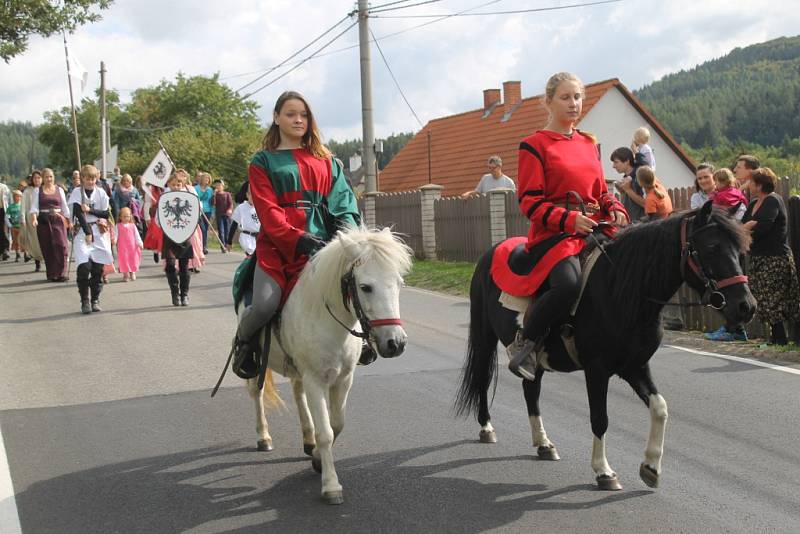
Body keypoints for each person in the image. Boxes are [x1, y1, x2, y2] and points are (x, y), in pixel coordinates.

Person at [508, 72, 629, 380]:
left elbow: (601, 191)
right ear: (548, 102)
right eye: (565, 97)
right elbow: (529, 202)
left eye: (577, 97)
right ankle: (526, 343)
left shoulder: (589, 143)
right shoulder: (533, 145)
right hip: (554, 235)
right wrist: (569, 219)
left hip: (595, 228)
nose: (573, 104)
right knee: (569, 285)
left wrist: (614, 207)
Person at [232, 90, 361, 377]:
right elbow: (268, 210)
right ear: (277, 118)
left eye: (303, 115)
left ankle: (366, 344)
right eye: (290, 114)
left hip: (325, 247)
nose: (298, 120)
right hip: (278, 249)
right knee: (264, 305)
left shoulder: (326, 160)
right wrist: (297, 238)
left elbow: (344, 201)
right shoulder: (262, 162)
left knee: (360, 291)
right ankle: (243, 344)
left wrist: (343, 232)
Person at [742, 167, 800, 345]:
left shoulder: (773, 200)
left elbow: (763, 228)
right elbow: (741, 225)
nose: (749, 185)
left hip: (774, 258)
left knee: (774, 298)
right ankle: (776, 339)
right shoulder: (753, 203)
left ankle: (781, 340)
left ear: (759, 185)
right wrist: (747, 226)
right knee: (762, 297)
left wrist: (748, 228)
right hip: (758, 257)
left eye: (752, 182)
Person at [69, 164, 114, 314]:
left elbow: (106, 214)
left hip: (99, 231)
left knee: (97, 268)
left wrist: (91, 210)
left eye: (93, 178)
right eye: (87, 179)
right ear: (82, 179)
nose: (90, 181)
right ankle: (85, 300)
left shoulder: (101, 193)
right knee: (84, 267)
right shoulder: (77, 192)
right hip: (83, 232)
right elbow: (78, 213)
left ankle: (95, 298)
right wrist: (87, 231)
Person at [29, 168, 71, 281]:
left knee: (61, 245)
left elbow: (64, 206)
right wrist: (34, 219)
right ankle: (52, 274)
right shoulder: (38, 191)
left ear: (54, 177)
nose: (49, 179)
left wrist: (69, 220)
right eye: (46, 177)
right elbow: (34, 208)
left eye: (51, 176)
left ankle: (61, 273)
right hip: (43, 220)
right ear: (43, 178)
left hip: (58, 219)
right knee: (48, 247)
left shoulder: (59, 190)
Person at [162, 173, 194, 306]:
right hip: (169, 236)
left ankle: (184, 294)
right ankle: (175, 293)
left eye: (178, 184)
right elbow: (160, 220)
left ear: (182, 185)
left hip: (184, 235)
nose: (176, 187)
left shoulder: (189, 198)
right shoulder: (164, 199)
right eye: (173, 184)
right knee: (170, 265)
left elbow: (194, 214)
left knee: (184, 267)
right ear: (168, 184)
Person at [611, 146, 645, 222]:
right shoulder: (627, 177)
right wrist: (623, 191)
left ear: (627, 161)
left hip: (641, 225)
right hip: (631, 224)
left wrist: (628, 190)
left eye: (616, 162)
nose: (613, 166)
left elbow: (646, 204)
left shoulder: (639, 177)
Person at [227, 181, 260, 256]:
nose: (253, 197)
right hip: (246, 237)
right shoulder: (241, 208)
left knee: (257, 259)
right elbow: (234, 225)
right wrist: (229, 241)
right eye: (251, 195)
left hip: (258, 237)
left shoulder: (260, 207)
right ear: (247, 195)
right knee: (252, 257)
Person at [20, 171, 43, 271]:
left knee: (45, 240)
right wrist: (22, 218)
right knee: (35, 241)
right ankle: (37, 262)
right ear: (32, 180)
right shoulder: (27, 191)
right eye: (35, 178)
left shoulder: (45, 189)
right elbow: (23, 206)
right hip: (31, 219)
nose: (37, 180)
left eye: (39, 177)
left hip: (44, 218)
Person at [115, 206, 142, 281]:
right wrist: (114, 240)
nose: (126, 218)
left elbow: (137, 235)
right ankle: (125, 274)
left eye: (128, 216)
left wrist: (140, 243)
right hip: (122, 247)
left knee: (132, 259)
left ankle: (132, 272)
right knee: (124, 260)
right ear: (120, 217)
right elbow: (116, 234)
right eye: (124, 216)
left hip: (132, 246)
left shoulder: (133, 226)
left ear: (130, 216)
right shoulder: (118, 226)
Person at [194, 172, 214, 254]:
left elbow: (211, 202)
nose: (206, 180)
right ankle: (200, 246)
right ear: (201, 179)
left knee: (205, 229)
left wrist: (212, 212)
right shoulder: (196, 188)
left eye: (208, 178)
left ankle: (204, 246)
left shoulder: (210, 190)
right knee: (202, 229)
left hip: (207, 210)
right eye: (205, 178)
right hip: (198, 210)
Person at [212, 179, 233, 253]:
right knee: (221, 231)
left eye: (219, 185)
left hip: (227, 215)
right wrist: (214, 195)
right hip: (219, 215)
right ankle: (222, 246)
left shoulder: (227, 194)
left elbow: (230, 204)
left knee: (228, 230)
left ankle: (228, 245)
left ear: (223, 186)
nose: (218, 186)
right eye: (217, 185)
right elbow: (213, 203)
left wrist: (230, 210)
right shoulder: (215, 194)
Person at [6, 190, 23, 261]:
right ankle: (17, 254)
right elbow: (7, 217)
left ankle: (26, 254)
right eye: (16, 196)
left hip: (22, 227)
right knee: (15, 241)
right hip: (14, 227)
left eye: (19, 196)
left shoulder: (22, 205)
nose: (18, 198)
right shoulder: (10, 207)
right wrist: (9, 225)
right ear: (13, 197)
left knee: (23, 240)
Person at [0, 179, 9, 260]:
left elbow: (8, 200)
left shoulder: (3, 187)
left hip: (2, 210)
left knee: (3, 230)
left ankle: (5, 249)